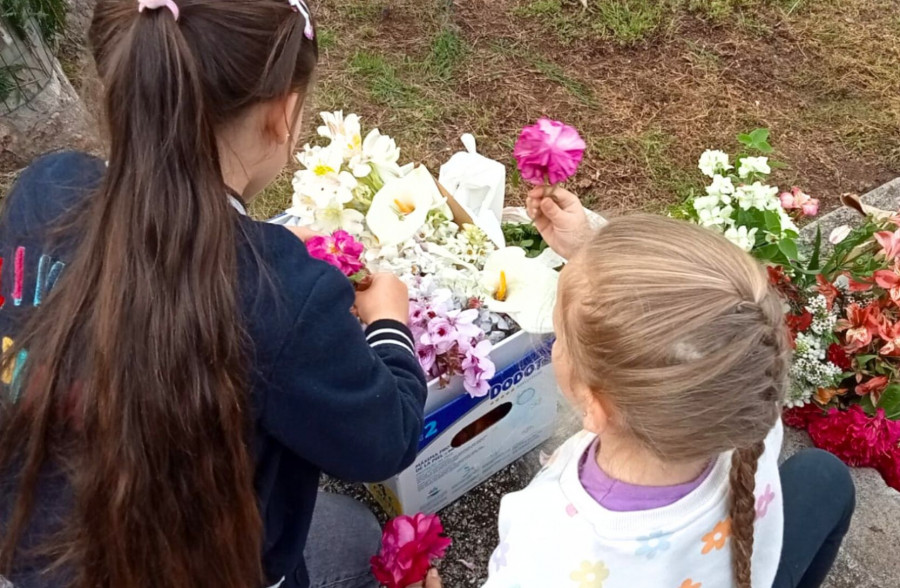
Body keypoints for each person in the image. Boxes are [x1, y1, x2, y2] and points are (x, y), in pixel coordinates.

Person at [0, 1, 427, 588]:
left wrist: (259, 246)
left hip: (33, 550)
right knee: (355, 538)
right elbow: (387, 439)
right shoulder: (285, 297)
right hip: (209, 566)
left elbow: (147, 273)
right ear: (284, 114)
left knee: (344, 530)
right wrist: (387, 323)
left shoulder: (44, 191)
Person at [425, 187, 855, 588]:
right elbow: (694, 324)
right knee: (826, 477)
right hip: (730, 564)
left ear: (595, 406)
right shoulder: (743, 400)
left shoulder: (546, 535)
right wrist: (591, 252)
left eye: (559, 336)